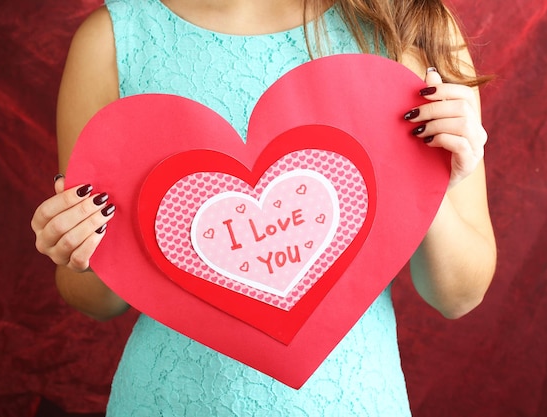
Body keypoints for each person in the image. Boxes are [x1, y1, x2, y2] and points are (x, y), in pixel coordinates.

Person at [31, 0, 497, 414]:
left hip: (352, 400)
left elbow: (457, 297)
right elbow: (97, 303)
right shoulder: (112, 41)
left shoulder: (407, 26)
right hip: (169, 399)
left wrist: (421, 180)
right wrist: (80, 251)